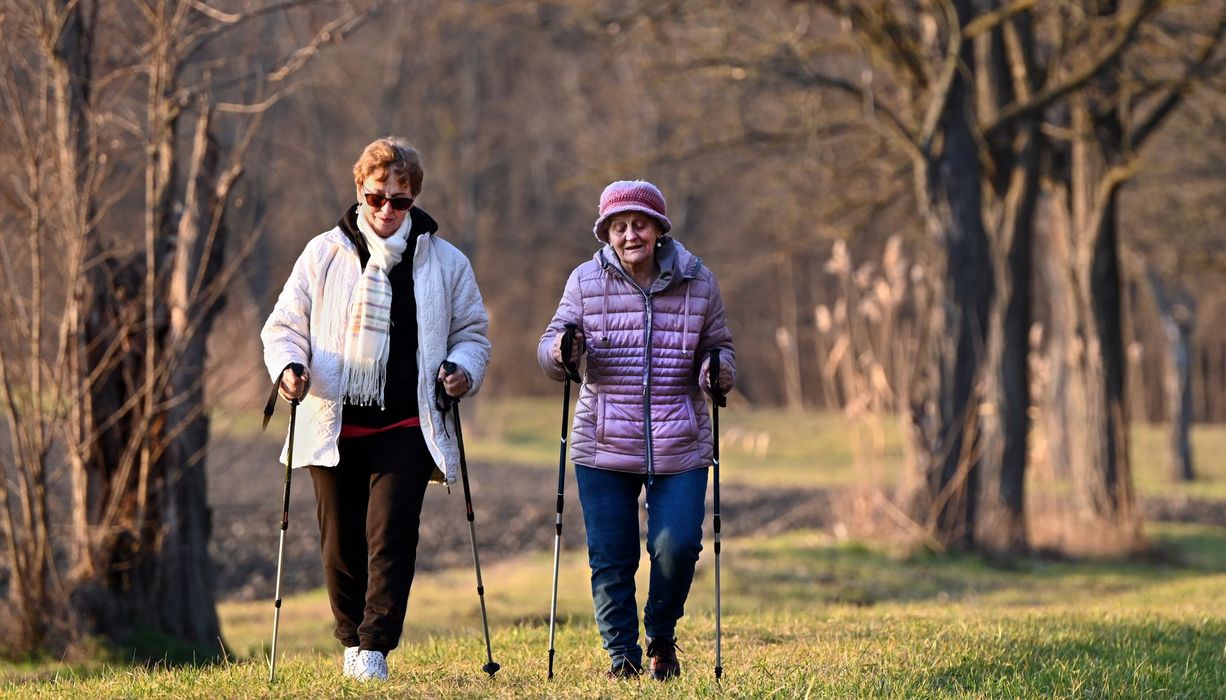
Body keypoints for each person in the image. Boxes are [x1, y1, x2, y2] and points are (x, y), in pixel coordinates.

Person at [261, 137, 491, 682]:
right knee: (340, 542)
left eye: (401, 200)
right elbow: (283, 327)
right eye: (377, 197)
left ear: (414, 199)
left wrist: (463, 369)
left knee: (391, 534)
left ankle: (374, 649)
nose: (388, 210)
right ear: (359, 192)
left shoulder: (445, 260)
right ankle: (349, 639)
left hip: (408, 422)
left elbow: (473, 334)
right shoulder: (323, 253)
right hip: (332, 420)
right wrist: (289, 367)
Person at [537, 179, 735, 680]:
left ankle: (661, 635)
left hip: (680, 440)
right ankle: (622, 657)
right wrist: (563, 349)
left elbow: (721, 346)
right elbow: (548, 348)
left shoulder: (699, 281)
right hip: (603, 440)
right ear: (606, 232)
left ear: (659, 229)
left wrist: (717, 370)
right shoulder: (584, 281)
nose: (630, 235)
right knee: (611, 555)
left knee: (678, 545)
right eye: (619, 226)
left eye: (639, 225)